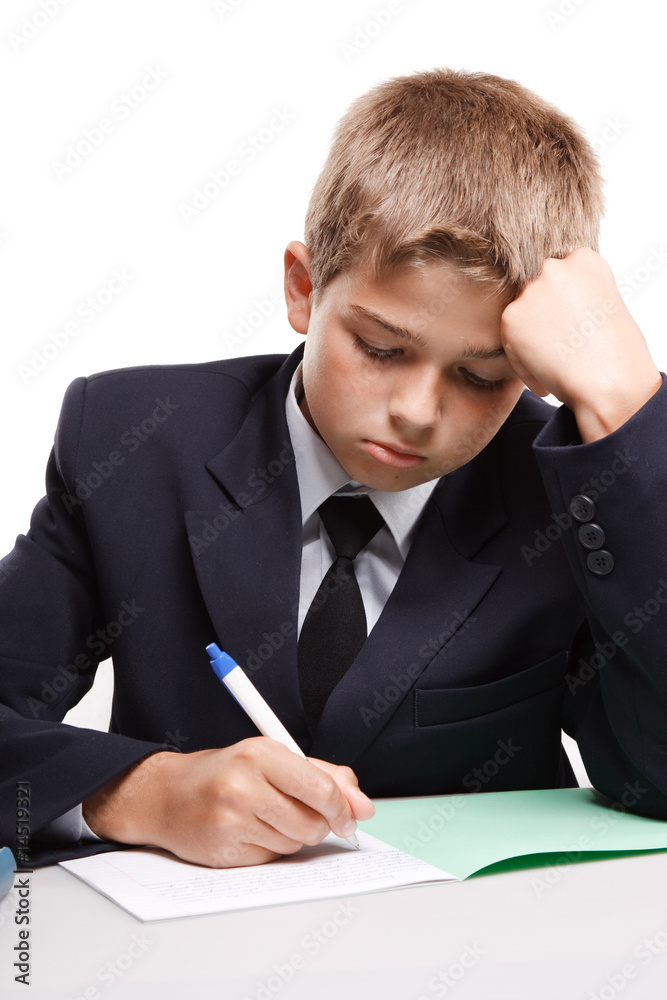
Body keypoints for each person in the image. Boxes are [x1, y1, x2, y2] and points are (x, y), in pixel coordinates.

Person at [2, 68, 666, 871]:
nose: (418, 411)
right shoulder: (131, 441)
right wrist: (141, 791)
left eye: (483, 375)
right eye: (381, 349)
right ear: (302, 285)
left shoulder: (578, 489)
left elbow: (654, 776)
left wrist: (631, 411)